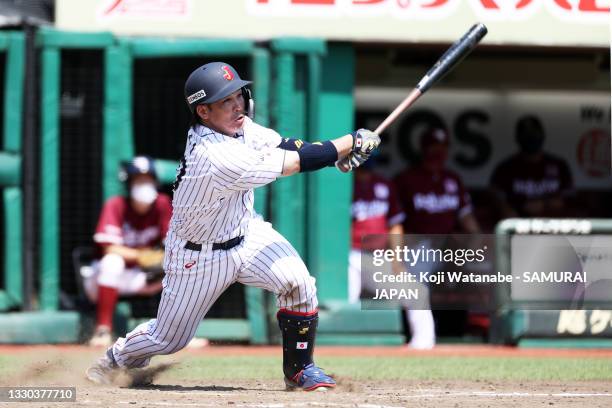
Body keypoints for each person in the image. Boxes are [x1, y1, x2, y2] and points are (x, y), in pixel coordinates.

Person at [86, 61, 380, 391]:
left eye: (238, 94)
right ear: (204, 111)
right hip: (198, 255)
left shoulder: (241, 128)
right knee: (168, 338)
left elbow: (288, 147)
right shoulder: (213, 155)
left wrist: (336, 155)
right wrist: (350, 141)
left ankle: (300, 370)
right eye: (226, 100)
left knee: (299, 283)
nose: (237, 104)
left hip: (246, 233)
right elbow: (294, 164)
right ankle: (116, 359)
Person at [392, 127, 481, 347]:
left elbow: (468, 220)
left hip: (447, 247)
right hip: (418, 246)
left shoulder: (452, 180)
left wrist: (475, 241)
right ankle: (419, 337)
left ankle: (458, 333)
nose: (437, 152)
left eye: (442, 147)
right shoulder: (406, 179)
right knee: (416, 284)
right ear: (423, 149)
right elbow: (396, 223)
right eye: (433, 147)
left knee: (468, 276)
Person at [85, 156, 172, 347]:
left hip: (138, 277)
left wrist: (162, 259)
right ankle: (103, 330)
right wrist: (144, 256)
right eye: (139, 180)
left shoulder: (162, 204)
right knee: (112, 261)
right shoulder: (116, 205)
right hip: (100, 280)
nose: (145, 184)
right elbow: (109, 248)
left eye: (148, 180)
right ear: (129, 183)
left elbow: (173, 245)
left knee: (180, 269)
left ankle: (175, 332)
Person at [348, 160, 436, 348]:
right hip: (346, 256)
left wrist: (397, 260)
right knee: (344, 305)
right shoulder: (343, 184)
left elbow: (395, 225)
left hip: (375, 257)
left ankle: (424, 348)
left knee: (417, 292)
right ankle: (334, 353)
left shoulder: (383, 185)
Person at [490, 115, 573, 218]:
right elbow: (495, 195)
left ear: (542, 135)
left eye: (534, 134)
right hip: (519, 224)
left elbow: (569, 199)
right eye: (526, 135)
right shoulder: (505, 168)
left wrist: (545, 202)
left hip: (554, 224)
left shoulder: (559, 166)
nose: (531, 138)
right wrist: (515, 207)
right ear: (518, 138)